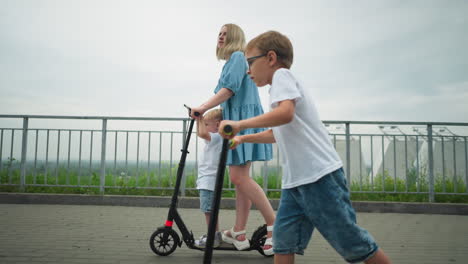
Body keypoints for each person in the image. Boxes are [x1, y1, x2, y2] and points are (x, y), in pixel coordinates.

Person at [218, 31, 392, 264]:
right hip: (296, 182)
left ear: (270, 58)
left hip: (319, 177)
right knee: (283, 241)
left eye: (250, 62)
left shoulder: (282, 76)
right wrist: (243, 138)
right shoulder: (277, 88)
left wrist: (240, 124)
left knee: (351, 241)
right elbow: (275, 133)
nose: (248, 70)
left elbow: (286, 114)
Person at [190, 23, 275, 255]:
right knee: (241, 180)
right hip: (237, 120)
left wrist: (203, 107)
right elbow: (225, 92)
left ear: (235, 37)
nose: (220, 37)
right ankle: (239, 232)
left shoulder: (238, 56)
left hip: (241, 120)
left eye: (225, 34)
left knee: (238, 178)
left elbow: (228, 90)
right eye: (218, 33)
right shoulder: (232, 61)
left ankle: (274, 226)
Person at [194, 108, 224, 248]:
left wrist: (199, 118)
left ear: (217, 125)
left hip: (209, 180)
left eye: (207, 124)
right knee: (209, 210)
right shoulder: (215, 138)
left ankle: (213, 236)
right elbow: (201, 132)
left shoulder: (217, 136)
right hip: (207, 180)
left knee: (208, 211)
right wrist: (199, 120)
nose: (204, 127)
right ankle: (214, 234)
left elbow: (201, 133)